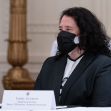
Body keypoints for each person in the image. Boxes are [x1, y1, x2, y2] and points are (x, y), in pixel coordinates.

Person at [35, 7, 111, 107]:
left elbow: (102, 105)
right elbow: (37, 101)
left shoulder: (102, 64)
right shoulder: (50, 64)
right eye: (61, 29)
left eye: (68, 29)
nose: (62, 34)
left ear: (84, 33)